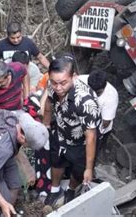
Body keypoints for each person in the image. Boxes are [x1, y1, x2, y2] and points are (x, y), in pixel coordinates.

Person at [42, 56, 102, 206]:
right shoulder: (54, 85)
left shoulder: (85, 101)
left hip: (81, 142)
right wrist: (46, 124)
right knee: (57, 162)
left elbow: (91, 137)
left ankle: (70, 190)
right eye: (54, 83)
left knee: (78, 171)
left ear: (73, 77)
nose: (58, 88)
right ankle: (55, 190)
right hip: (61, 132)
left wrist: (88, 169)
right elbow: (49, 100)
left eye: (63, 83)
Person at [79, 70, 119, 145]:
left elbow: (105, 123)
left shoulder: (111, 96)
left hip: (98, 128)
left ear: (104, 86)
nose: (94, 95)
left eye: (97, 93)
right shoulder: (80, 81)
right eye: (91, 91)